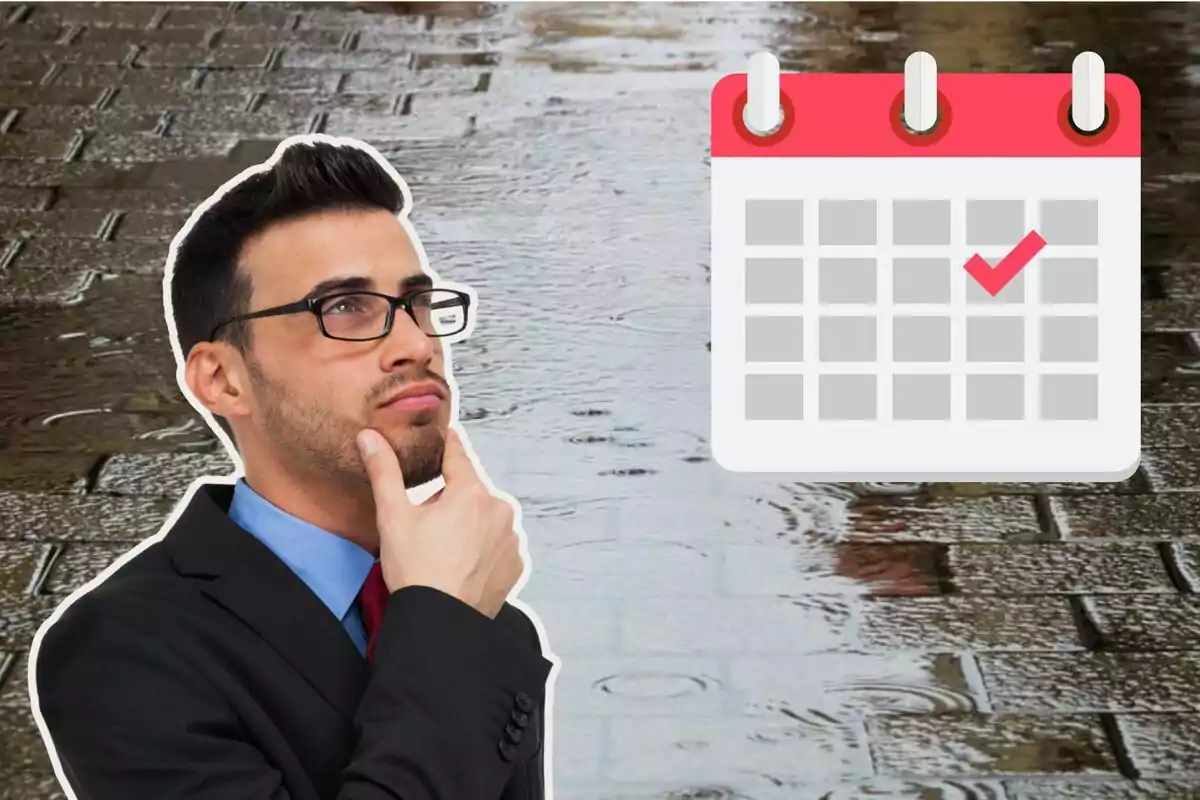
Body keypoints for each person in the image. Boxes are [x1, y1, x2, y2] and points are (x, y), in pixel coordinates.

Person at [29, 135, 556, 800]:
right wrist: (446, 626)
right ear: (222, 379)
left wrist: (448, 618)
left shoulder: (491, 621)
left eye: (418, 303)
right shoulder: (123, 649)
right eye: (344, 308)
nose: (417, 344)